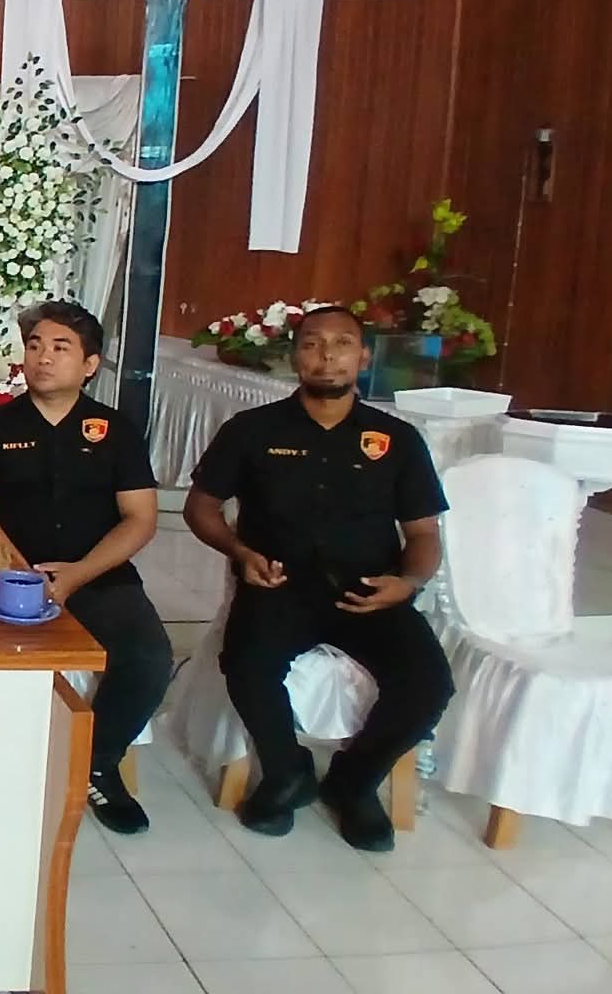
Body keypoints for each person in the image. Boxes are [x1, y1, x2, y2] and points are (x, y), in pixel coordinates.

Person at [183, 306, 455, 852]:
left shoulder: (397, 439)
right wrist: (240, 551)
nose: (327, 356)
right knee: (247, 663)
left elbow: (423, 533)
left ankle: (355, 780)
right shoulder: (251, 430)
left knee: (429, 684)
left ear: (364, 357)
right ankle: (287, 771)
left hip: (370, 592)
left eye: (342, 344)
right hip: (278, 585)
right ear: (294, 356)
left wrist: (407, 583)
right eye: (312, 344)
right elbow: (200, 507)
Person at [0, 301, 172, 836]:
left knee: (149, 657)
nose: (43, 358)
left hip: (97, 573)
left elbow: (140, 518)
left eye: (60, 348)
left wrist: (76, 575)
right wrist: (24, 576)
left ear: (90, 364)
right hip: (7, 572)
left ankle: (97, 762)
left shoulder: (116, 430)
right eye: (34, 346)